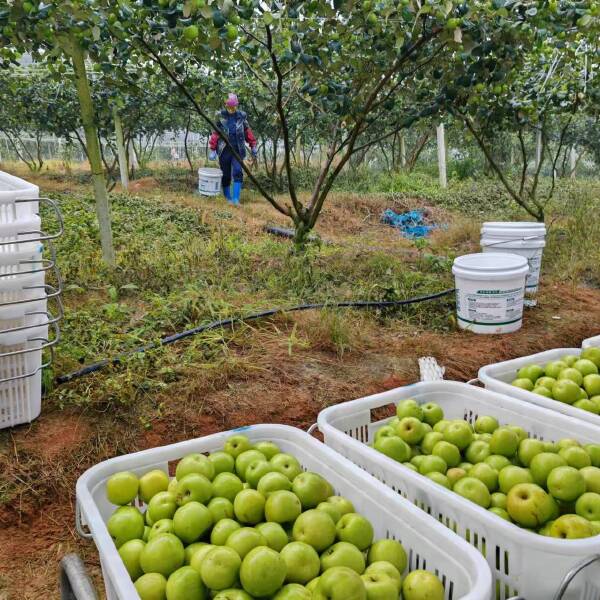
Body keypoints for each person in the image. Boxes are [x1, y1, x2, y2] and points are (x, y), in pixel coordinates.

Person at [208, 93, 258, 205]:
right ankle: (227, 197)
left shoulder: (242, 118)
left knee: (237, 171)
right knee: (225, 174)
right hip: (224, 151)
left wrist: (253, 145)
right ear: (226, 106)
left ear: (237, 106)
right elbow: (215, 134)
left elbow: (248, 133)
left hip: (237, 151)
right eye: (229, 107)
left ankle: (236, 199)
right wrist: (212, 149)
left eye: (233, 107)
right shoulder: (221, 119)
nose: (231, 109)